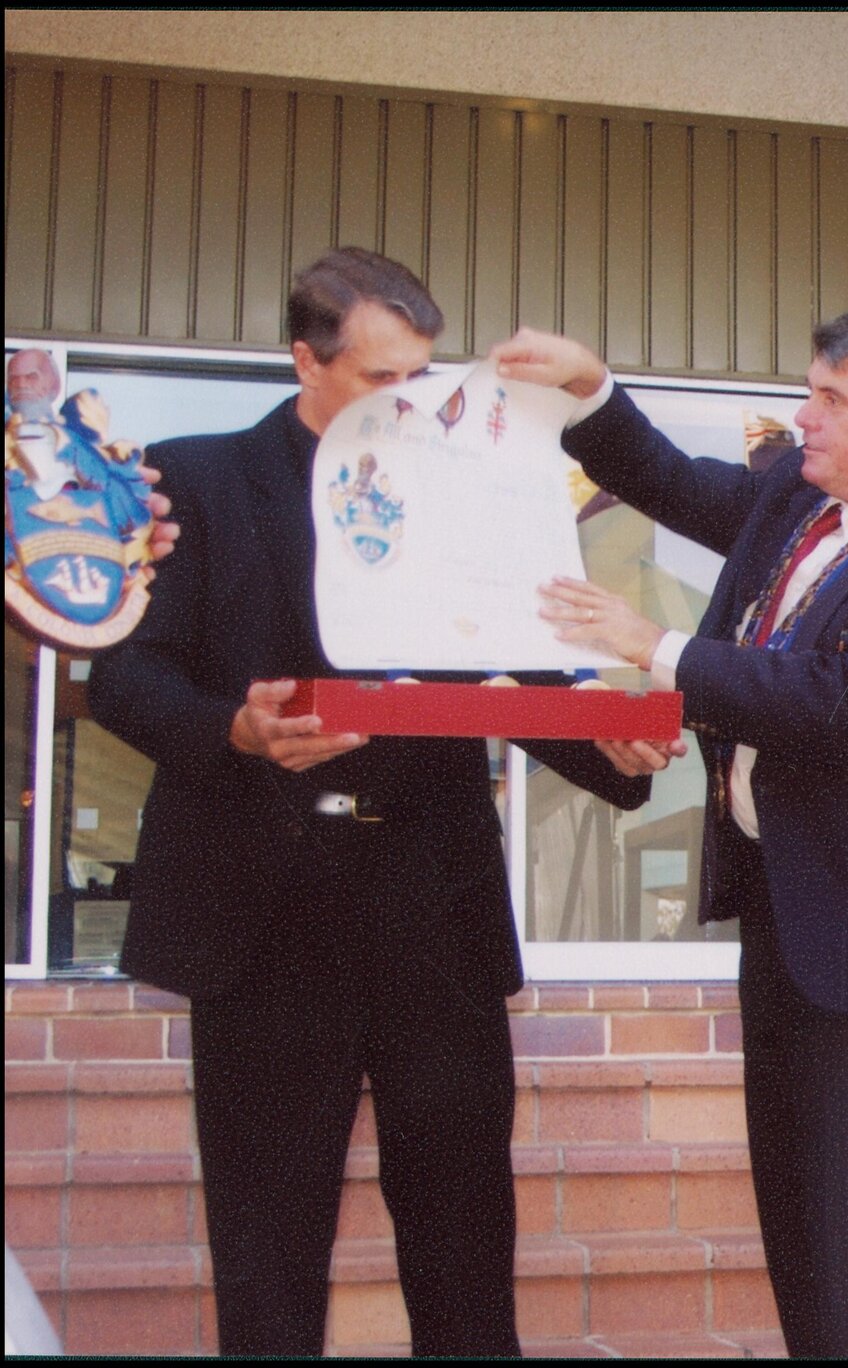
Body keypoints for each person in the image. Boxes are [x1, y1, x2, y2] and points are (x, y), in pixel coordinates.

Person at [87, 247, 652, 1357]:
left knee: (464, 1240)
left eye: (423, 378)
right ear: (305, 358)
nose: (410, 405)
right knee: (265, 1247)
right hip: (259, 916)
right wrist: (235, 730)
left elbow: (521, 666)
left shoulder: (466, 484)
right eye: (380, 380)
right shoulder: (191, 481)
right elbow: (124, 675)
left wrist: (611, 746)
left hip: (430, 908)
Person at [493, 307, 848, 1358]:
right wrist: (593, 389)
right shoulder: (801, 499)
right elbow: (680, 485)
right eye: (808, 390)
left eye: (832, 399)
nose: (802, 418)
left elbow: (843, 702)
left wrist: (657, 647)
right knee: (802, 1229)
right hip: (786, 917)